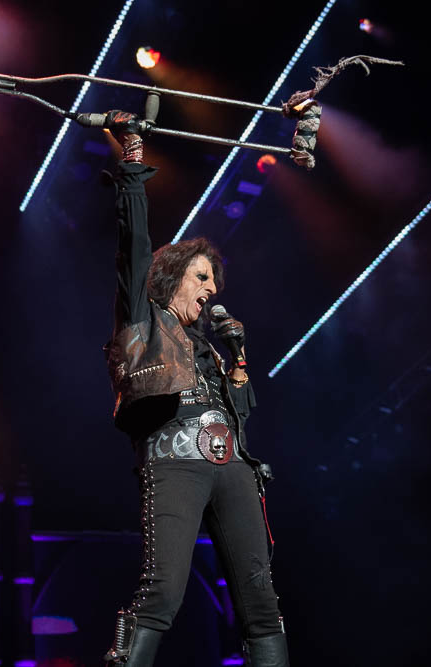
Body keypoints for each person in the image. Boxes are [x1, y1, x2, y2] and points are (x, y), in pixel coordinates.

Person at [100, 111, 289, 667]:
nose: (211, 290)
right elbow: (133, 244)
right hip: (174, 458)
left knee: (262, 600)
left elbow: (242, 416)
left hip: (233, 466)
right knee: (163, 590)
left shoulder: (209, 347)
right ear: (174, 274)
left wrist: (239, 362)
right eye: (202, 277)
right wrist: (133, 161)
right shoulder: (143, 318)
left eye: (214, 282)